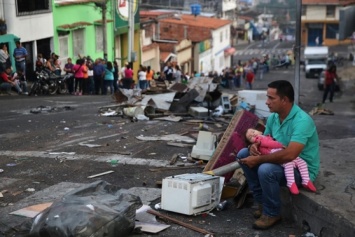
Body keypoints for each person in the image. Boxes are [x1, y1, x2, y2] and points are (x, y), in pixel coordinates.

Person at [236, 80, 320, 230]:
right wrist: (254, 146)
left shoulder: (302, 121)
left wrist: (258, 159)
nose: (267, 102)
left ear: (285, 100)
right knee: (243, 153)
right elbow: (265, 140)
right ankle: (262, 203)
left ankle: (272, 213)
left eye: (271, 98)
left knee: (266, 169)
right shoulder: (274, 117)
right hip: (281, 162)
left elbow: (290, 154)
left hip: (300, 169)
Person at [245, 128, 316, 195]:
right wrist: (281, 145)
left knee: (302, 162)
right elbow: (270, 144)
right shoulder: (259, 139)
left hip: (279, 151)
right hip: (274, 152)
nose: (253, 135)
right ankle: (291, 183)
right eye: (251, 137)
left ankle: (306, 180)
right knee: (288, 163)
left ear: (258, 131)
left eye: (253, 132)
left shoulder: (265, 136)